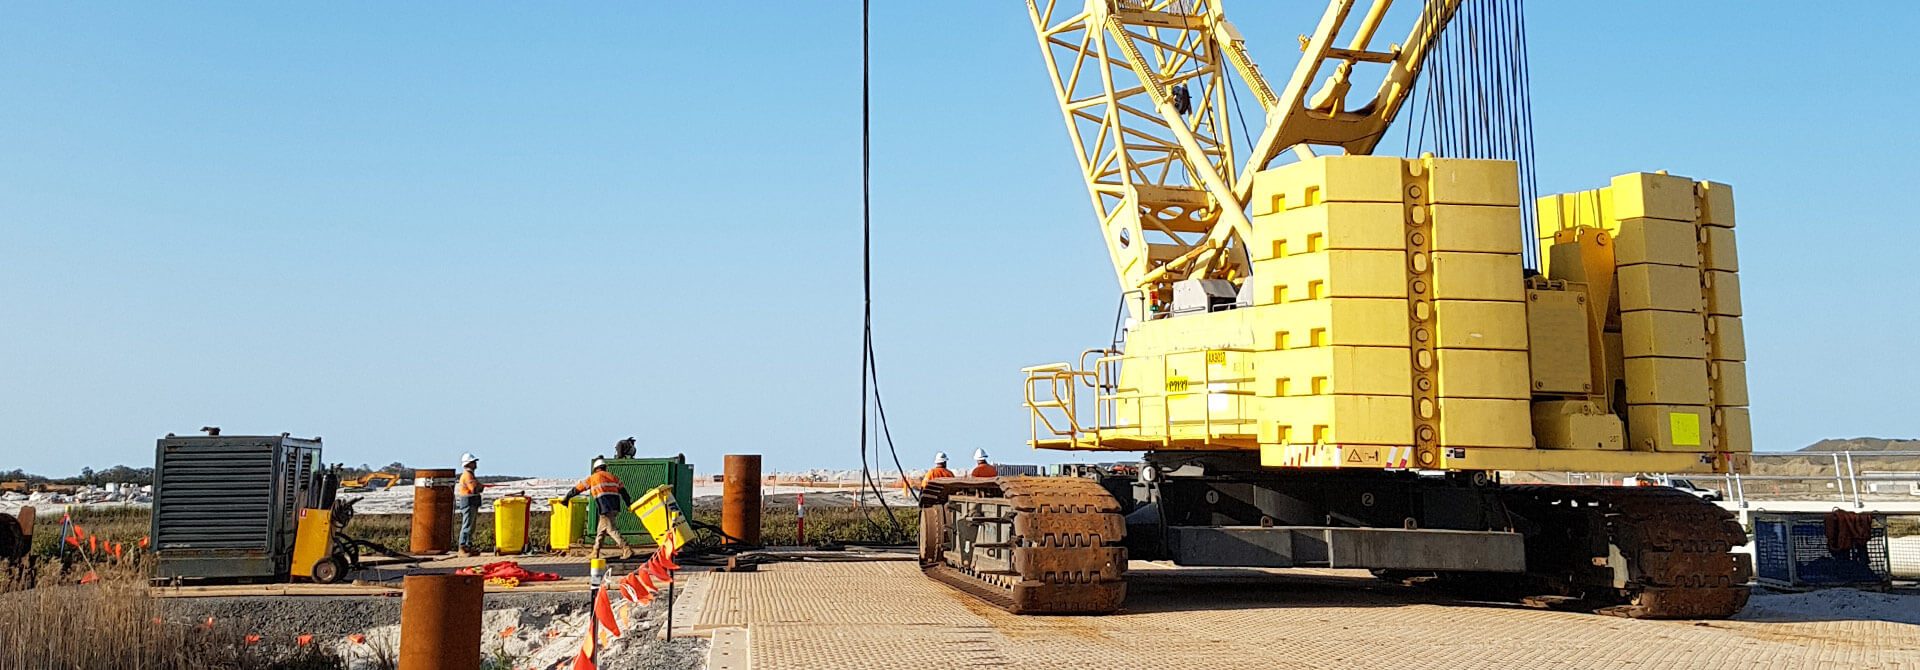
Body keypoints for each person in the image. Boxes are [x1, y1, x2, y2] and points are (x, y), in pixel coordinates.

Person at [562, 458, 635, 559]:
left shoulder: (593, 478)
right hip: (615, 507)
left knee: (611, 529)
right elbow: (624, 492)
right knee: (601, 530)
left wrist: (567, 498)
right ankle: (595, 552)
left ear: (595, 469)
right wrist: (629, 504)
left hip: (605, 507)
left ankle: (626, 549)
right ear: (605, 468)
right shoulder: (613, 477)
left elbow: (578, 489)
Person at [455, 453, 482, 556]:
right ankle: (462, 547)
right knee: (467, 525)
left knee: (471, 526)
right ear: (469, 464)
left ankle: (468, 546)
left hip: (471, 503)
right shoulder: (468, 475)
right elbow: (474, 489)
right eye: (473, 462)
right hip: (469, 503)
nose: (475, 464)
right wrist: (479, 486)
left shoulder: (469, 475)